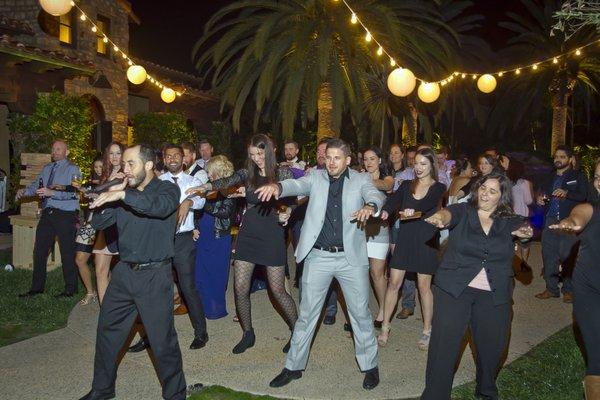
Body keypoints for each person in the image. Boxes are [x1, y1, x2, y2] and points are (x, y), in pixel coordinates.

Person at [256, 138, 385, 390]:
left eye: (337, 158)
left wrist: (371, 206)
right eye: (328, 157)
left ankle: (370, 366)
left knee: (360, 314)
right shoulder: (315, 177)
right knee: (307, 315)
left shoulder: (360, 180)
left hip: (350, 259)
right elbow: (296, 184)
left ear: (347, 160)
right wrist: (278, 188)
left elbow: (374, 195)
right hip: (319, 257)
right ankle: (293, 367)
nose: (331, 162)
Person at [79, 144, 189, 400]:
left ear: (149, 165)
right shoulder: (123, 193)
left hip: (154, 276)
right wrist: (109, 191)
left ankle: (176, 395)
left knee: (163, 342)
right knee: (107, 332)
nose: (125, 169)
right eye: (124, 164)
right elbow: (97, 223)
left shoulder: (167, 189)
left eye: (131, 164)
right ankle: (102, 389)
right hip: (124, 274)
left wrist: (123, 196)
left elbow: (158, 208)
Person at [420, 171, 533, 399]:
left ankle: (486, 390)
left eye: (492, 191)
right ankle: (435, 394)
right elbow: (448, 214)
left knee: (493, 346)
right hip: (454, 288)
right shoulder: (464, 210)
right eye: (483, 188)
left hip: (493, 292)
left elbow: (524, 230)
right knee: (444, 347)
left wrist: (525, 234)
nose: (485, 194)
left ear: (501, 197)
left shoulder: (508, 220)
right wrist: (440, 218)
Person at [188, 134, 297, 354]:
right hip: (248, 233)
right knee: (240, 288)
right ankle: (248, 333)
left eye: (260, 153)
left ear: (270, 151)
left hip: (272, 234)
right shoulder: (248, 173)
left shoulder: (282, 173)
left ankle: (298, 332)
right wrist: (206, 186)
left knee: (278, 290)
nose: (256, 158)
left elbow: (294, 199)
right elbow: (227, 180)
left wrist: (288, 212)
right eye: (252, 154)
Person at [378, 148, 446, 349]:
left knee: (424, 287)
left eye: (423, 164)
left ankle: (427, 330)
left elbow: (427, 204)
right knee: (393, 283)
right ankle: (385, 327)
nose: (418, 168)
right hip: (406, 239)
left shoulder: (439, 187)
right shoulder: (406, 185)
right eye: (416, 163)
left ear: (432, 165)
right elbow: (393, 201)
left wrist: (413, 210)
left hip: (426, 240)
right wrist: (384, 212)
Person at [549, 159, 600, 398]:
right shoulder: (592, 208)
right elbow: (579, 214)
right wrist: (571, 222)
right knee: (597, 355)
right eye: (598, 177)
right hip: (589, 288)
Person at [158, 144, 208, 349]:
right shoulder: (158, 182)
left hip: (183, 240)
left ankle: (201, 333)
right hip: (160, 240)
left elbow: (202, 200)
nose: (172, 159)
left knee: (187, 287)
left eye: (176, 155)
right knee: (156, 288)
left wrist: (189, 200)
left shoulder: (193, 181)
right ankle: (151, 335)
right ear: (163, 158)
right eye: (168, 156)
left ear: (183, 159)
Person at [18, 139, 81, 298]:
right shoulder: (47, 169)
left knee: (67, 252)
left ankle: (70, 289)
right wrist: (24, 192)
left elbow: (74, 192)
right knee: (39, 251)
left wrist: (52, 193)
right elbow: (37, 186)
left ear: (66, 152)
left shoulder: (73, 169)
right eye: (53, 149)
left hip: (66, 215)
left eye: (59, 149)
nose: (55, 152)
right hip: (48, 214)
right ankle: (37, 288)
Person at [535, 145, 588, 303]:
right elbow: (541, 192)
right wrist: (539, 199)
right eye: (556, 156)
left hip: (568, 221)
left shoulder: (577, 176)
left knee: (567, 255)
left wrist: (567, 193)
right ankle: (551, 289)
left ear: (570, 159)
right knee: (548, 255)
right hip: (550, 220)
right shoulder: (549, 176)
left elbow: (583, 195)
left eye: (562, 157)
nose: (558, 159)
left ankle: (568, 290)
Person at [194, 155, 236, 319]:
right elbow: (196, 212)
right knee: (201, 271)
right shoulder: (208, 188)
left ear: (218, 173)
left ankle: (215, 309)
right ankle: (201, 307)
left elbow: (225, 213)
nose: (208, 176)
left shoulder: (229, 189)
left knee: (216, 274)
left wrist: (203, 203)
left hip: (219, 237)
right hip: (204, 234)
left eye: (210, 173)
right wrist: (195, 227)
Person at [362, 146, 394, 327]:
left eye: (372, 158)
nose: (369, 163)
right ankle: (361, 312)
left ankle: (383, 309)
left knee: (377, 274)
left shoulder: (386, 179)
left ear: (380, 160)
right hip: (359, 231)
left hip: (379, 231)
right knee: (359, 273)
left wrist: (362, 181)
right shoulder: (359, 176)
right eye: (366, 159)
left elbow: (387, 186)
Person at [93, 142, 125, 304]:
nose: (114, 157)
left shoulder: (126, 172)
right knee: (100, 270)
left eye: (118, 153)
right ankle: (104, 308)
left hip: (120, 226)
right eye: (111, 153)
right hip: (105, 225)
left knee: (126, 273)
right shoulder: (106, 173)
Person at [74, 156, 103, 305]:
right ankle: (90, 292)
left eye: (101, 167)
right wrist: (81, 189)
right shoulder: (90, 184)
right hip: (90, 225)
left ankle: (105, 293)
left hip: (105, 226)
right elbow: (86, 190)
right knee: (80, 260)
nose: (98, 170)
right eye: (96, 167)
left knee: (102, 264)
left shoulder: (113, 183)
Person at [507, 159, 533, 268]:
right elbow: (528, 201)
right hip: (522, 215)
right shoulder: (524, 183)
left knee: (509, 241)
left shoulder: (506, 182)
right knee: (524, 241)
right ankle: (524, 263)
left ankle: (509, 264)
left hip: (508, 215)